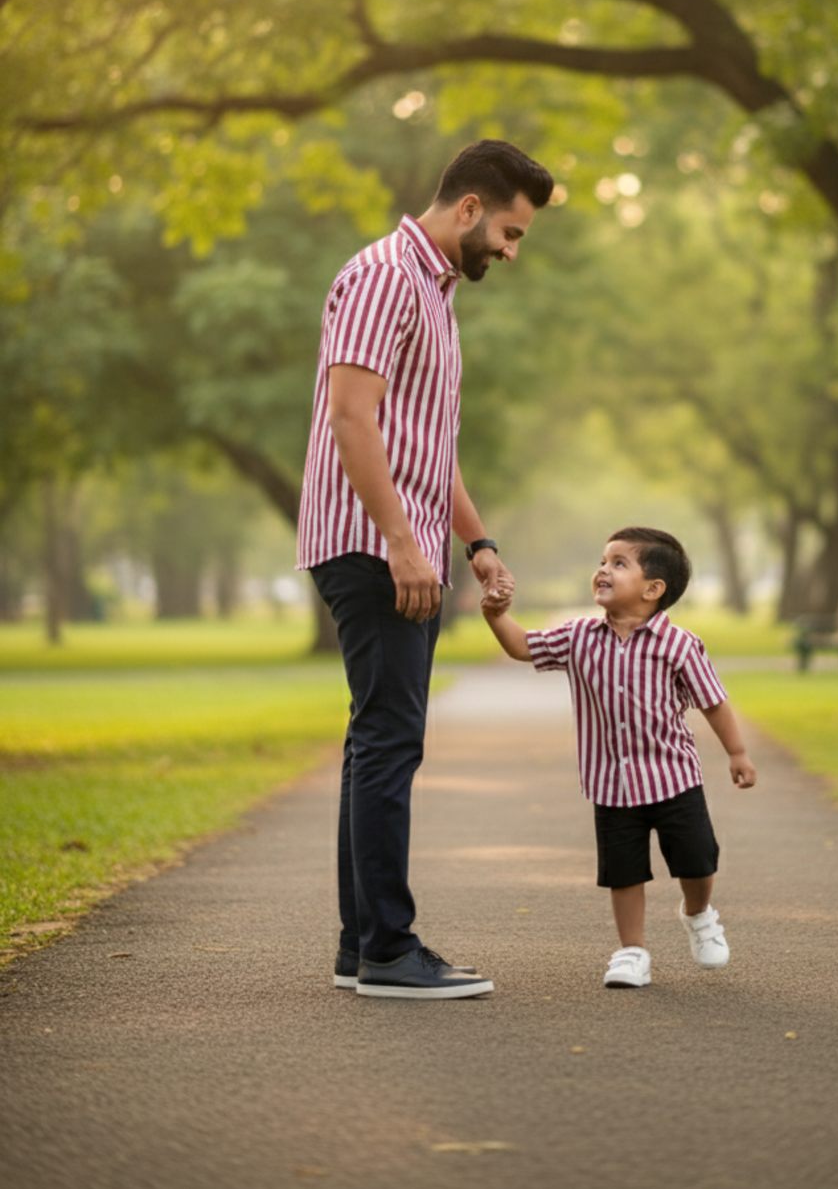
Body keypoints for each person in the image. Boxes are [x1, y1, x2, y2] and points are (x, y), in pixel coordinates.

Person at [298, 139, 554, 1000]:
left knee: (376, 737)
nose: (513, 254)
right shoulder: (383, 277)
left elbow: (423, 447)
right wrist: (405, 544)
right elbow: (351, 419)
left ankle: (359, 944)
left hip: (395, 541)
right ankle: (390, 951)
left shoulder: (434, 295)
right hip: (373, 547)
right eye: (512, 233)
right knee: (390, 742)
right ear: (472, 209)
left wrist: (476, 544)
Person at [481, 526, 756, 988]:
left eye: (618, 563)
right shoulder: (579, 637)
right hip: (611, 784)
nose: (603, 570)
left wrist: (738, 752)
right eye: (602, 561)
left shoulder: (680, 646)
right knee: (623, 873)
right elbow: (523, 647)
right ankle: (632, 951)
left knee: (697, 860)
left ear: (653, 590)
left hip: (674, 778)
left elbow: (713, 701)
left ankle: (698, 914)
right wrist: (495, 616)